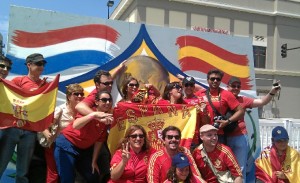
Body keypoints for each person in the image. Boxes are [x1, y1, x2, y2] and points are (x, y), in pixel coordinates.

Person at [0, 53, 47, 183]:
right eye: (38, 63)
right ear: (29, 65)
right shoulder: (17, 81)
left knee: (23, 172)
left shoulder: (46, 86)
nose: (41, 66)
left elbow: (44, 109)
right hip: (12, 129)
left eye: (43, 64)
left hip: (30, 132)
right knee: (1, 163)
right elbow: (7, 100)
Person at [226, 76, 281, 181]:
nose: (236, 88)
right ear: (228, 87)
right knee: (224, 167)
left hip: (240, 137)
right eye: (233, 86)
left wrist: (272, 91)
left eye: (238, 86)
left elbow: (262, 102)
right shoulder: (222, 98)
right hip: (223, 137)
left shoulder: (243, 100)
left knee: (240, 167)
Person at [54, 90, 113, 183]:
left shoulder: (108, 117)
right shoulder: (88, 110)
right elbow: (76, 125)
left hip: (84, 150)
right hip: (67, 145)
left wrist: (94, 161)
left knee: (93, 176)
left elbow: (99, 141)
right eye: (104, 100)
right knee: (67, 179)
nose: (108, 102)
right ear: (97, 102)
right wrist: (93, 115)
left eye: (110, 100)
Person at [39, 83, 84, 183]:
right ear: (68, 96)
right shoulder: (60, 110)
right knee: (54, 175)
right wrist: (48, 135)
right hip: (57, 146)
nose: (80, 96)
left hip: (76, 146)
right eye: (76, 94)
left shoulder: (83, 111)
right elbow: (44, 125)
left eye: (81, 94)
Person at [195, 69, 244, 142]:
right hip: (203, 133)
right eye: (212, 79)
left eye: (218, 79)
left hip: (218, 134)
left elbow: (241, 111)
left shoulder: (227, 94)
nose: (215, 81)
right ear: (208, 80)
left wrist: (227, 121)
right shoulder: (199, 94)